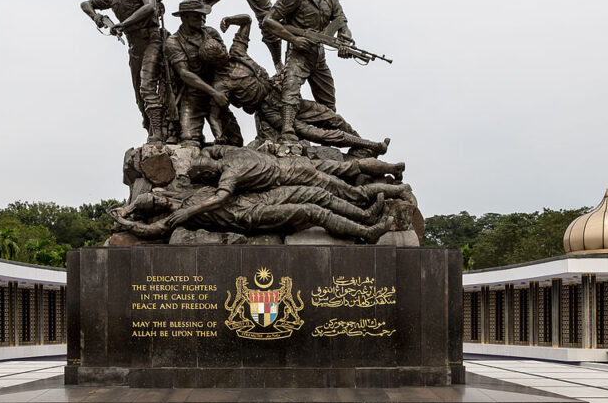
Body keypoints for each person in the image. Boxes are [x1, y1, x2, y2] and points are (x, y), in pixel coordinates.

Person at [200, 14, 390, 155]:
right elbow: (214, 115)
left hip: (280, 93)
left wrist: (230, 20)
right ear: (213, 62)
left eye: (221, 49)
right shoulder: (220, 84)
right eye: (218, 55)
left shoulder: (237, 52)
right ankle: (372, 145)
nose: (223, 53)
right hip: (269, 111)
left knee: (330, 116)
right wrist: (218, 136)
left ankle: (362, 146)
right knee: (316, 134)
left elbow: (247, 21)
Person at [264, 0, 354, 141]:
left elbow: (342, 24)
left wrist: (344, 41)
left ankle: (331, 140)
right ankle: (287, 130)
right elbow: (269, 21)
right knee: (290, 89)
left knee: (328, 101)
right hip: (299, 54)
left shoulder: (330, 0)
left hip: (318, 57)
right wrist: (294, 39)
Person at [80, 0, 166, 144]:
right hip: (135, 46)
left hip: (153, 40)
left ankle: (159, 134)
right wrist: (97, 17)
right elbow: (85, 4)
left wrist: (124, 24)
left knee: (147, 87)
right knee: (139, 96)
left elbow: (150, 7)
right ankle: (150, 131)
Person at [111, 185, 392, 243]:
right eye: (155, 200)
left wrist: (129, 206)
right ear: (157, 207)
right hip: (253, 216)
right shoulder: (177, 216)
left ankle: (365, 215)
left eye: (156, 195)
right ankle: (367, 232)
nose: (159, 197)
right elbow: (150, 231)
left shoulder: (185, 193)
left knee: (315, 193)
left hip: (257, 197)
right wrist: (125, 220)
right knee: (311, 211)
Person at [188, 145, 408, 207]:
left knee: (354, 195)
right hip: (298, 162)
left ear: (208, 174)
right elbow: (210, 151)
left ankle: (399, 190)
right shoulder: (231, 153)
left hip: (299, 177)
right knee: (353, 167)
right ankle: (392, 167)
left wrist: (189, 211)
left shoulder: (229, 175)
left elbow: (219, 199)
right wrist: (201, 156)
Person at [163, 0, 241, 147]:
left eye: (203, 15)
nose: (202, 19)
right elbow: (185, 74)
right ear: (184, 17)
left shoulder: (211, 33)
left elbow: (225, 60)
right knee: (189, 140)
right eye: (197, 16)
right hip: (193, 97)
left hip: (218, 91)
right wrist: (213, 93)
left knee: (235, 140)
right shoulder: (173, 42)